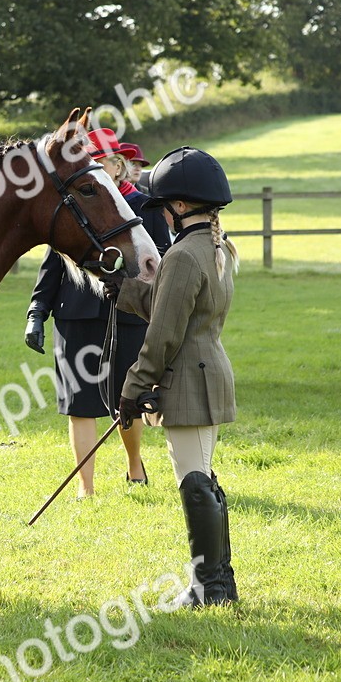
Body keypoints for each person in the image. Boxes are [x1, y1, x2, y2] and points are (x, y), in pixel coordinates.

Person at [110, 146, 241, 608]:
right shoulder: (217, 247)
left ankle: (208, 588)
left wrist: (132, 388)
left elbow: (164, 333)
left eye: (164, 208)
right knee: (202, 477)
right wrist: (122, 291)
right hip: (206, 373)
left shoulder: (184, 254)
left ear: (180, 207)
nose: (161, 217)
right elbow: (172, 307)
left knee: (194, 481)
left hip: (189, 378)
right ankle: (219, 583)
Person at [25, 128, 172, 497]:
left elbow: (159, 263)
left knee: (128, 398)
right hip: (74, 315)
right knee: (80, 404)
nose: (94, 168)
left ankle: (134, 466)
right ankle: (85, 487)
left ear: (118, 166)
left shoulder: (144, 207)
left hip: (127, 315)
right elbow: (53, 263)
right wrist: (36, 310)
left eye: (101, 161)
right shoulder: (73, 203)